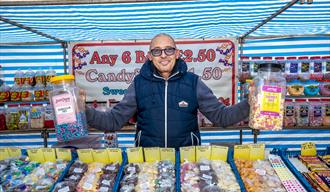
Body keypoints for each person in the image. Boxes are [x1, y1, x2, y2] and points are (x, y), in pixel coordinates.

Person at [86, 33, 250, 148]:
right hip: (149, 164)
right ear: (150, 56)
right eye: (157, 51)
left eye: (169, 50)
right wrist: (80, 108)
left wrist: (252, 102)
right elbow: (112, 121)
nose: (163, 55)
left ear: (177, 53)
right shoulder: (139, 84)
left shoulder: (193, 83)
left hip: (185, 163)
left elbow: (222, 117)